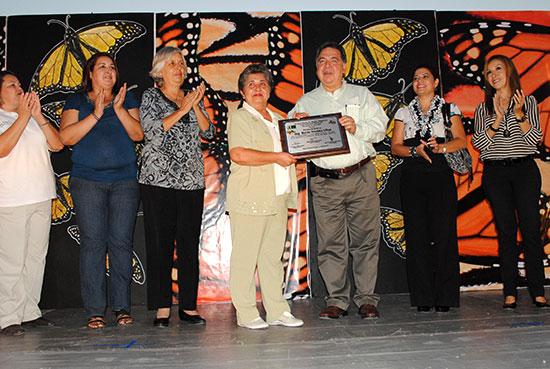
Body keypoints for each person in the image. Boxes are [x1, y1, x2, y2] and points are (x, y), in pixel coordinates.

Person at [288, 42, 388, 320]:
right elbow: (291, 141)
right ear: (316, 68)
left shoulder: (362, 94)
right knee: (330, 243)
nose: (328, 66)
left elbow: (380, 128)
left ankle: (367, 299)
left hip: (361, 175)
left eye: (334, 60)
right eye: (322, 61)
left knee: (366, 241)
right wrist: (297, 125)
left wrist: (359, 127)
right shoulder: (306, 102)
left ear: (344, 66)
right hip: (324, 181)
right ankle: (336, 300)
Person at [60, 53, 143, 329]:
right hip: (87, 181)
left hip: (124, 181)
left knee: (121, 243)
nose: (108, 71)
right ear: (91, 73)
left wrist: (117, 109)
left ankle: (121, 308)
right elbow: (65, 137)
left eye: (112, 67)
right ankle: (95, 310)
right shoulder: (77, 100)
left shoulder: (126, 99)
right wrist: (96, 114)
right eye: (102, 67)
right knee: (93, 244)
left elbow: (138, 134)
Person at [139, 46, 214, 327]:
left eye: (181, 63)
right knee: (160, 246)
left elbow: (209, 133)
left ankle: (188, 307)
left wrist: (194, 105)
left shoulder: (191, 97)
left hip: (191, 181)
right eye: (172, 63)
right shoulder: (150, 97)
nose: (179, 67)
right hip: (158, 181)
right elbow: (153, 132)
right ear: (159, 70)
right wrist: (182, 109)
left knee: (187, 245)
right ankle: (162, 307)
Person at [227, 63, 304, 330]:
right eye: (251, 84)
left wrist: (301, 129)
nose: (257, 88)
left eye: (262, 84)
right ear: (242, 92)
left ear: (270, 90)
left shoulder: (278, 120)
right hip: (249, 197)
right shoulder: (239, 118)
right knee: (245, 258)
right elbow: (238, 154)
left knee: (272, 259)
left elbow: (294, 149)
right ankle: (246, 312)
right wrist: (277, 158)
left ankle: (277, 311)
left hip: (279, 196)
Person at [472, 54, 548, 310]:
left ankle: (538, 290)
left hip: (524, 170)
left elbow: (534, 140)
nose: (493, 75)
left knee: (530, 231)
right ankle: (510, 291)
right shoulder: (484, 108)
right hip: (495, 174)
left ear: (509, 71)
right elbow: (481, 145)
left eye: (498, 69)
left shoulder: (528, 102)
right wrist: (497, 118)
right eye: (488, 72)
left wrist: (518, 115)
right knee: (505, 233)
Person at [391, 65, 466, 312]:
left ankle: (445, 296)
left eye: (425, 77)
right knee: (417, 236)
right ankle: (422, 297)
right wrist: (415, 150)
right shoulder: (404, 112)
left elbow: (461, 140)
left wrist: (441, 148)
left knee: (444, 235)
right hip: (413, 177)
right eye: (415, 78)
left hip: (440, 175)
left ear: (435, 82)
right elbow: (395, 147)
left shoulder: (448, 108)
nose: (419, 81)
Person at [0, 71, 63, 336]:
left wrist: (36, 116)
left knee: (35, 258)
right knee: (11, 260)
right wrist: (24, 117)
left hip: (40, 195)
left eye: (19, 83)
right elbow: (2, 149)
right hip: (11, 199)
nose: (19, 88)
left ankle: (29, 311)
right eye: (11, 84)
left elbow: (57, 145)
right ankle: (8, 316)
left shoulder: (32, 118)